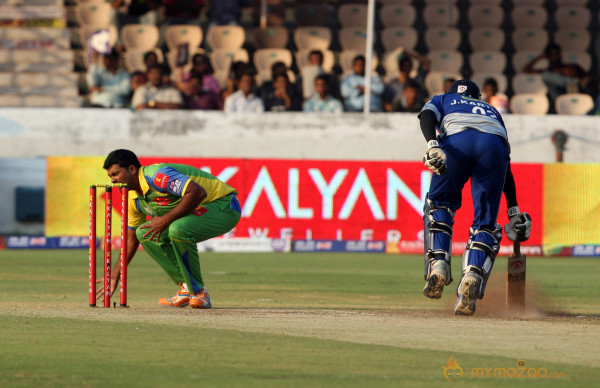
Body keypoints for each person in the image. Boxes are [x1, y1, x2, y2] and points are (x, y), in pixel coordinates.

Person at [418, 80, 531, 316]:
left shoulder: (444, 99)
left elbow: (425, 117)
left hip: (456, 143)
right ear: (477, 96)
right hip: (493, 149)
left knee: (438, 205)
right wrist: (513, 210)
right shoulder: (493, 111)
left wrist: (431, 145)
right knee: (486, 224)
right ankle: (472, 274)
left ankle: (438, 263)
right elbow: (505, 166)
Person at [99, 149, 241, 308]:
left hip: (223, 205)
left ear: (131, 169)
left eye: (116, 174)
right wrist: (115, 274)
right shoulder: (133, 199)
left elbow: (197, 193)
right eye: (110, 176)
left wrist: (165, 219)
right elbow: (131, 239)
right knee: (143, 232)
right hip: (197, 214)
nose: (113, 181)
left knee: (177, 229)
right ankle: (187, 288)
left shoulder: (157, 176)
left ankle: (199, 293)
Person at [522, 43, 589, 113]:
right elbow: (526, 70)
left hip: (577, 94)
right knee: (545, 75)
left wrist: (584, 82)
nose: (557, 57)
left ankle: (572, 83)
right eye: (553, 55)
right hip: (560, 96)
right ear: (548, 57)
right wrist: (540, 57)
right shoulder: (550, 71)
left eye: (558, 54)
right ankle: (572, 82)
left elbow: (587, 79)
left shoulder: (573, 66)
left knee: (573, 86)